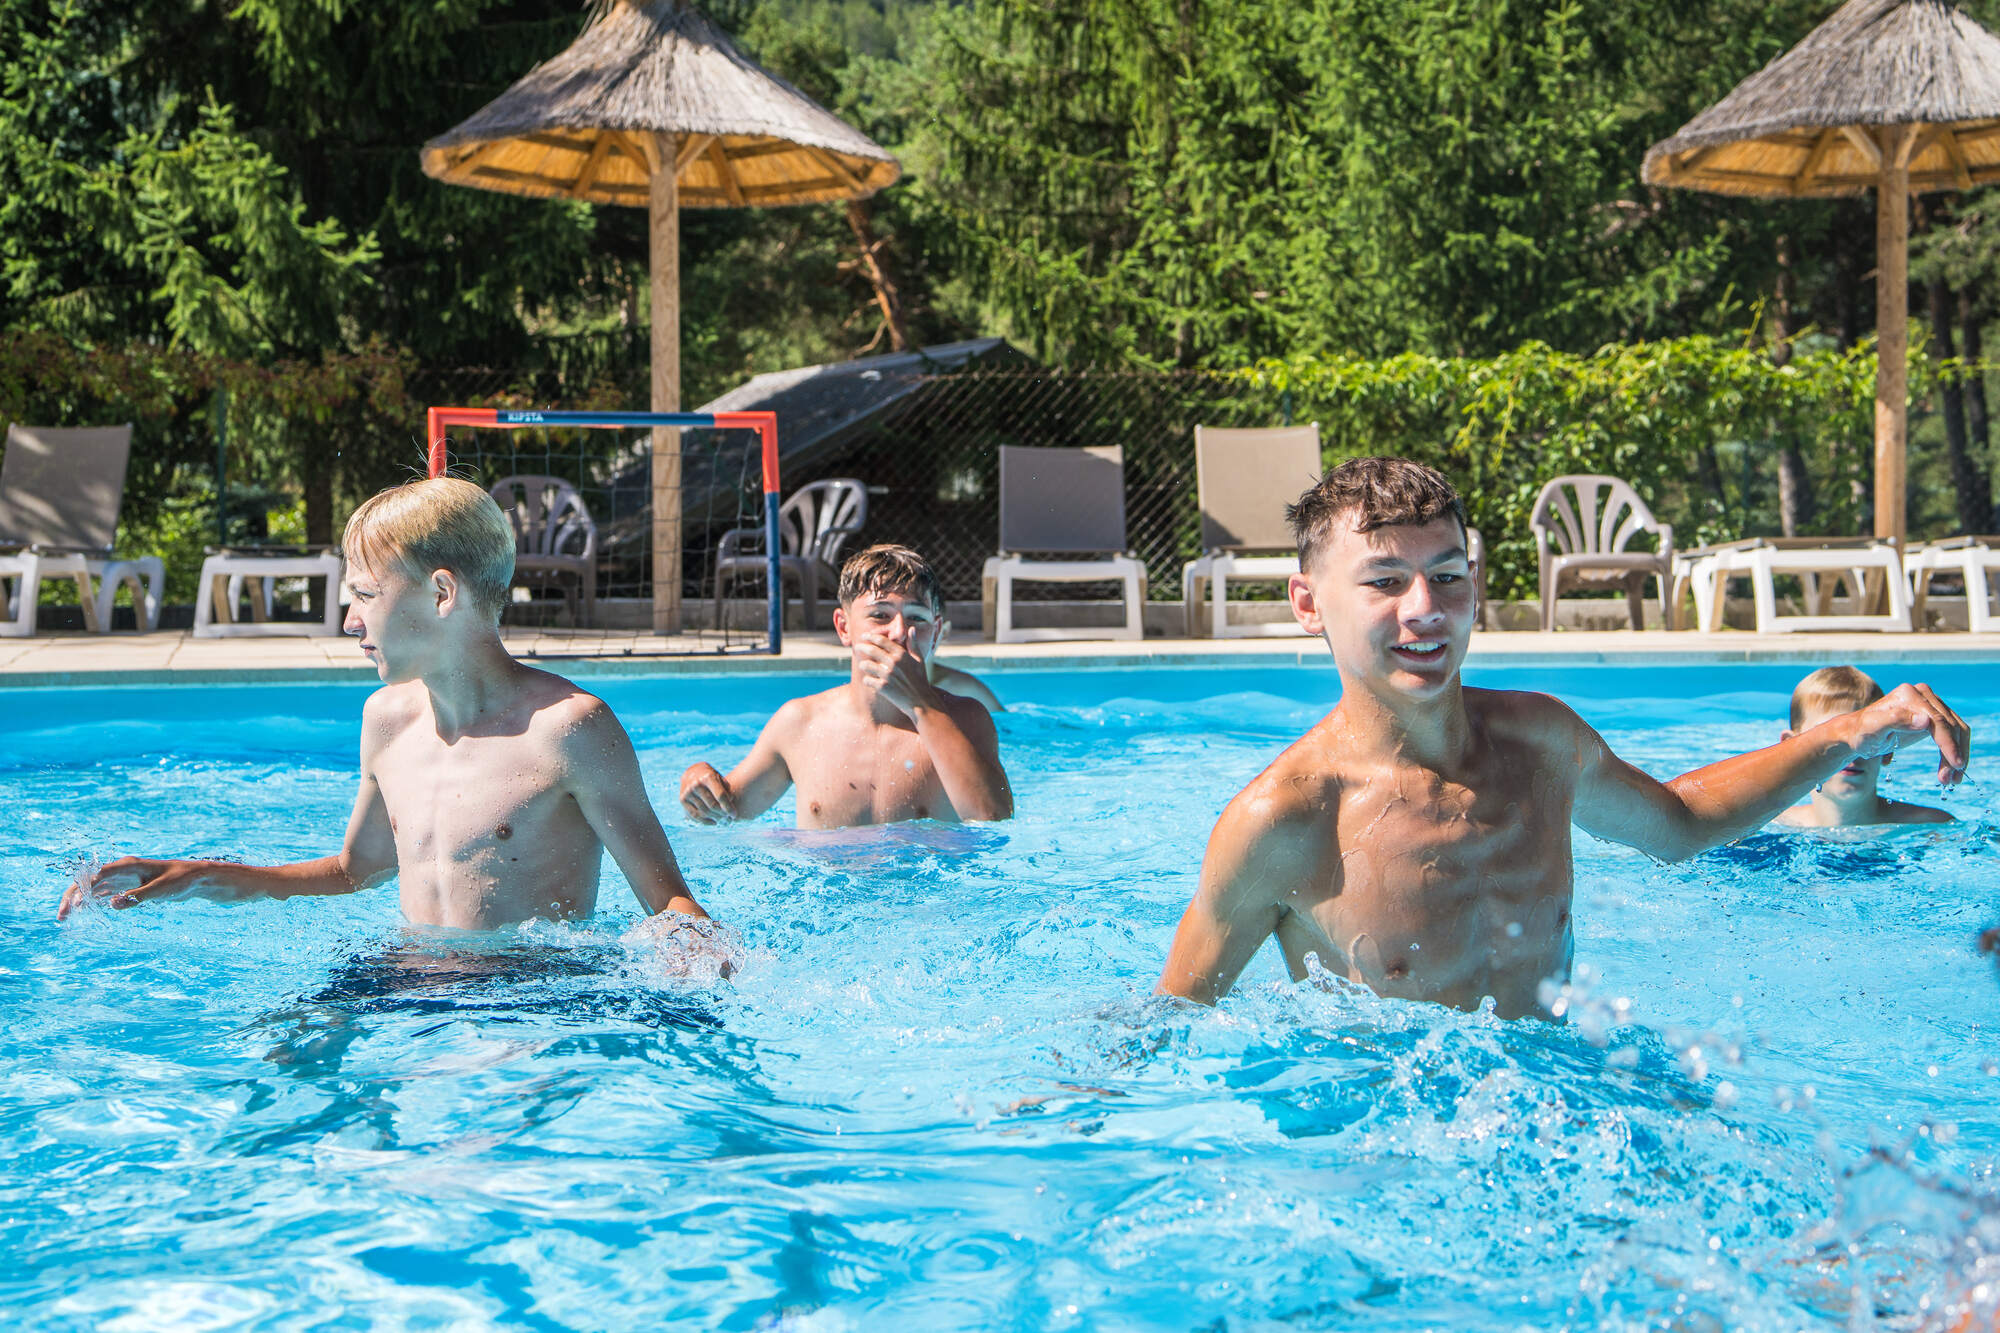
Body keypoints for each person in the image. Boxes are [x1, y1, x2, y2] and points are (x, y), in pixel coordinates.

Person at [1155, 457, 1970, 1020]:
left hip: (1557, 1097)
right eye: (1385, 581)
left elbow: (1681, 825)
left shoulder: (1540, 742)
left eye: (1447, 575)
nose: (1425, 609)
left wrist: (1851, 730)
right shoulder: (1284, 821)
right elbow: (1176, 1016)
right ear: (1308, 603)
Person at [57, 478, 717, 944]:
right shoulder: (386, 721)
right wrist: (203, 875)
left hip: (529, 992)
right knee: (286, 1055)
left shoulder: (568, 729)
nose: (350, 621)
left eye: (365, 595)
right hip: (406, 976)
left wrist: (694, 948)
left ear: (441, 594)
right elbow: (356, 870)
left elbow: (669, 901)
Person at [679, 544, 1012, 828]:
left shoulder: (966, 719)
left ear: (936, 633)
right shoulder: (799, 723)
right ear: (843, 627)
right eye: (880, 615)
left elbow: (993, 819)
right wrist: (698, 782)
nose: (898, 632)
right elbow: (725, 812)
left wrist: (922, 706)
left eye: (917, 618)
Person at [1772, 667, 1954, 828]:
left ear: (1888, 749)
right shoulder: (1774, 824)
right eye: (1831, 737)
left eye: (1867, 736)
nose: (1851, 751)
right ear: (1791, 748)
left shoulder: (1932, 826)